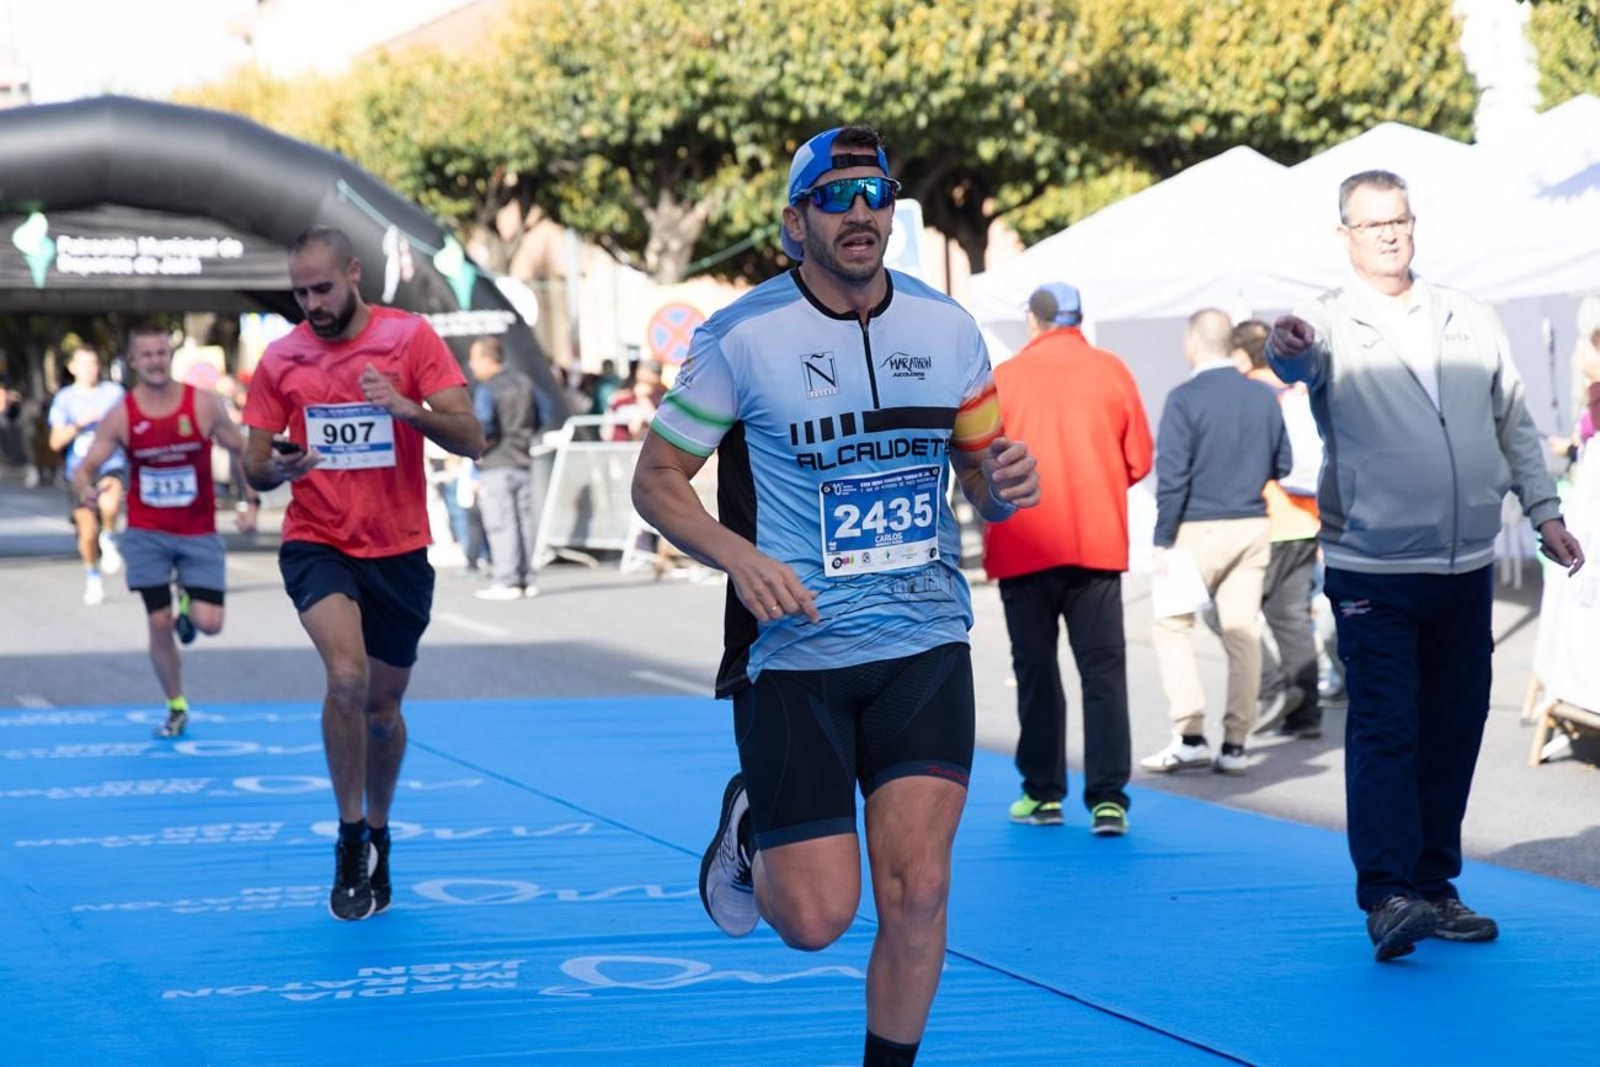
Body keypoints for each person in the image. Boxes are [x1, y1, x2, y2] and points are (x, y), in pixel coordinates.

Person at [632, 125, 1039, 1067]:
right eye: (835, 196)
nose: (861, 213)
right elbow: (655, 481)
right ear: (795, 222)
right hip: (795, 652)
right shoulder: (739, 337)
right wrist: (738, 557)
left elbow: (979, 473)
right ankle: (749, 824)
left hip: (924, 641)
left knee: (919, 888)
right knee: (814, 919)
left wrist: (999, 482)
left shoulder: (949, 330)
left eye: (877, 195)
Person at [1266, 169, 1585, 962]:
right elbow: (1294, 362)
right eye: (1372, 225)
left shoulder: (1466, 315)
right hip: (1374, 565)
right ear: (1344, 236)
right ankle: (1388, 893)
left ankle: (1436, 886)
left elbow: (1512, 418)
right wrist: (1285, 347)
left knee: (1453, 728)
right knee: (1386, 727)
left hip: (1466, 563)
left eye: (1400, 219)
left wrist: (1544, 510)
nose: (1390, 234)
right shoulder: (1331, 324)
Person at [241, 225, 483, 922]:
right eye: (299, 292)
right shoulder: (282, 358)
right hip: (318, 540)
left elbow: (474, 437)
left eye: (322, 288)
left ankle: (379, 829)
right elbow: (252, 465)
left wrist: (407, 408)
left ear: (353, 274)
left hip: (400, 549)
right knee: (345, 679)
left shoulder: (410, 340)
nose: (311, 303)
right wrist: (274, 467)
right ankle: (348, 837)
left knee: (382, 712)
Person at [985, 282, 1152, 835]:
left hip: (1023, 544)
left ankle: (1043, 793)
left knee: (1035, 672)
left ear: (1034, 322)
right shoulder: (1112, 370)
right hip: (1096, 543)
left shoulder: (1004, 378)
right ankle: (1108, 799)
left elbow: (977, 462)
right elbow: (1139, 460)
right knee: (1103, 673)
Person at [70, 324, 260, 739]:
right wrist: (85, 492)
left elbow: (242, 451)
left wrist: (251, 503)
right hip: (148, 533)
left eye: (161, 353)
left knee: (210, 625)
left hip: (197, 530)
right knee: (158, 623)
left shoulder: (203, 405)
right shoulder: (122, 414)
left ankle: (190, 602)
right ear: (134, 361)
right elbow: (85, 468)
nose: (155, 361)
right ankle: (176, 704)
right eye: (147, 355)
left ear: (169, 357)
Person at [1141, 309, 1290, 777]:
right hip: (1252, 525)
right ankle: (1237, 743)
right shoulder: (1264, 397)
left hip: (1196, 529)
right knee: (1241, 632)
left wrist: (1161, 539)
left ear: (1193, 344)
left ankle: (1190, 734)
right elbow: (1282, 463)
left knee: (1171, 626)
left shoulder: (1185, 399)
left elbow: (1173, 476)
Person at [1231, 320, 1326, 740]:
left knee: (1228, 613)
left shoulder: (1248, 395)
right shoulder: (1299, 391)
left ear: (1238, 355)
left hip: (1266, 518)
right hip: (1306, 518)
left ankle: (1272, 688)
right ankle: (1306, 713)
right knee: (1290, 617)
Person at [48, 345, 127, 604]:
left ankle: (110, 536)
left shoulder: (113, 393)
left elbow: (131, 425)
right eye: (83, 364)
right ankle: (93, 575)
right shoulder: (65, 399)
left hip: (110, 464)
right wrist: (79, 422)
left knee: (110, 502)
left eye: (93, 363)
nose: (89, 370)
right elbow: (55, 442)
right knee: (87, 533)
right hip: (79, 473)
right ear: (72, 368)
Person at [468, 336, 542, 599]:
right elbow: (541, 416)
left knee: (500, 522)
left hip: (497, 462)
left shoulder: (488, 388)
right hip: (522, 458)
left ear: (488, 359)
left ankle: (506, 579)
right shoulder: (525, 383)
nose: (472, 366)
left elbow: (484, 425)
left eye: (475, 359)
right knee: (523, 521)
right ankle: (526, 577)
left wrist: (477, 449)